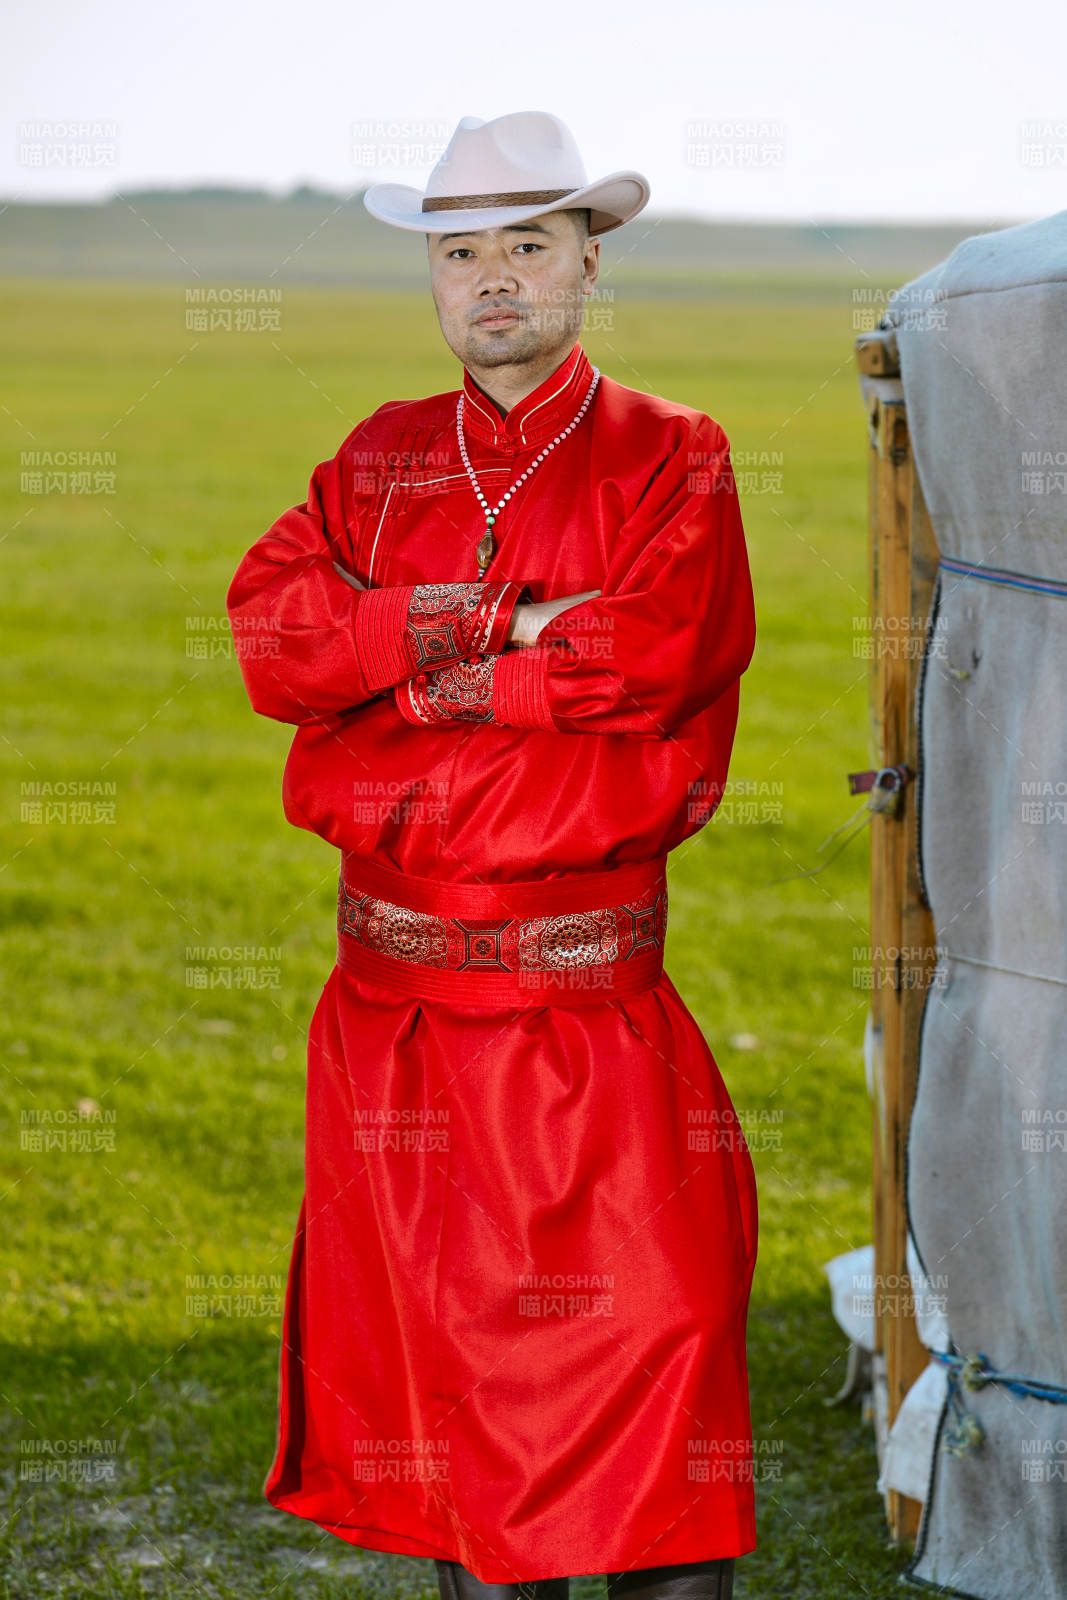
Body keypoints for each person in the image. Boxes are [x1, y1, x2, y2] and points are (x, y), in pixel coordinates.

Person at [227, 110, 758, 1600]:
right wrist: (487, 624)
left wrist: (397, 675)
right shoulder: (377, 459)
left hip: (585, 1025)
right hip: (393, 1032)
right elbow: (276, 641)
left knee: (659, 1406)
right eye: (460, 251)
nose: (493, 277)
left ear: (592, 260)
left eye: (529, 243)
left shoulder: (674, 456)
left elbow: (650, 657)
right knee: (454, 1443)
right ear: (435, 281)